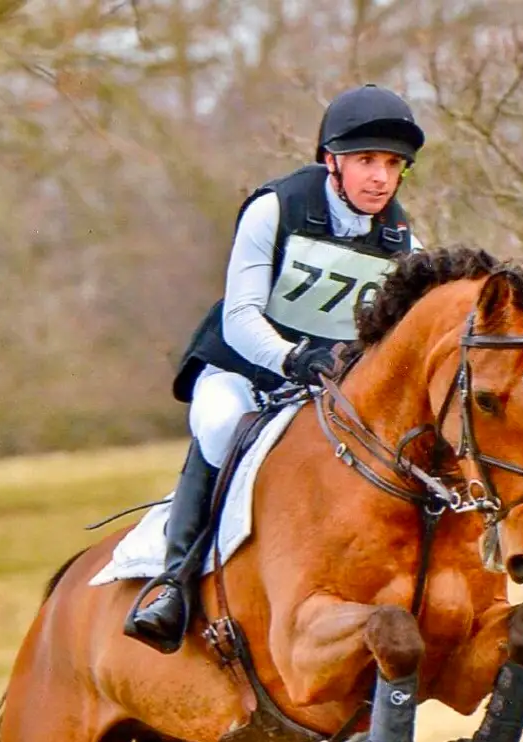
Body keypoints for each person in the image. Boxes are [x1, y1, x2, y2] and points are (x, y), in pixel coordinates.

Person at [124, 84, 426, 653]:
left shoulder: (402, 238)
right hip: (244, 370)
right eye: (366, 161)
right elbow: (240, 315)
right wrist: (291, 357)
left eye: (392, 164)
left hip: (324, 388)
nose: (381, 178)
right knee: (222, 425)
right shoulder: (276, 208)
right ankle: (174, 581)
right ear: (331, 161)